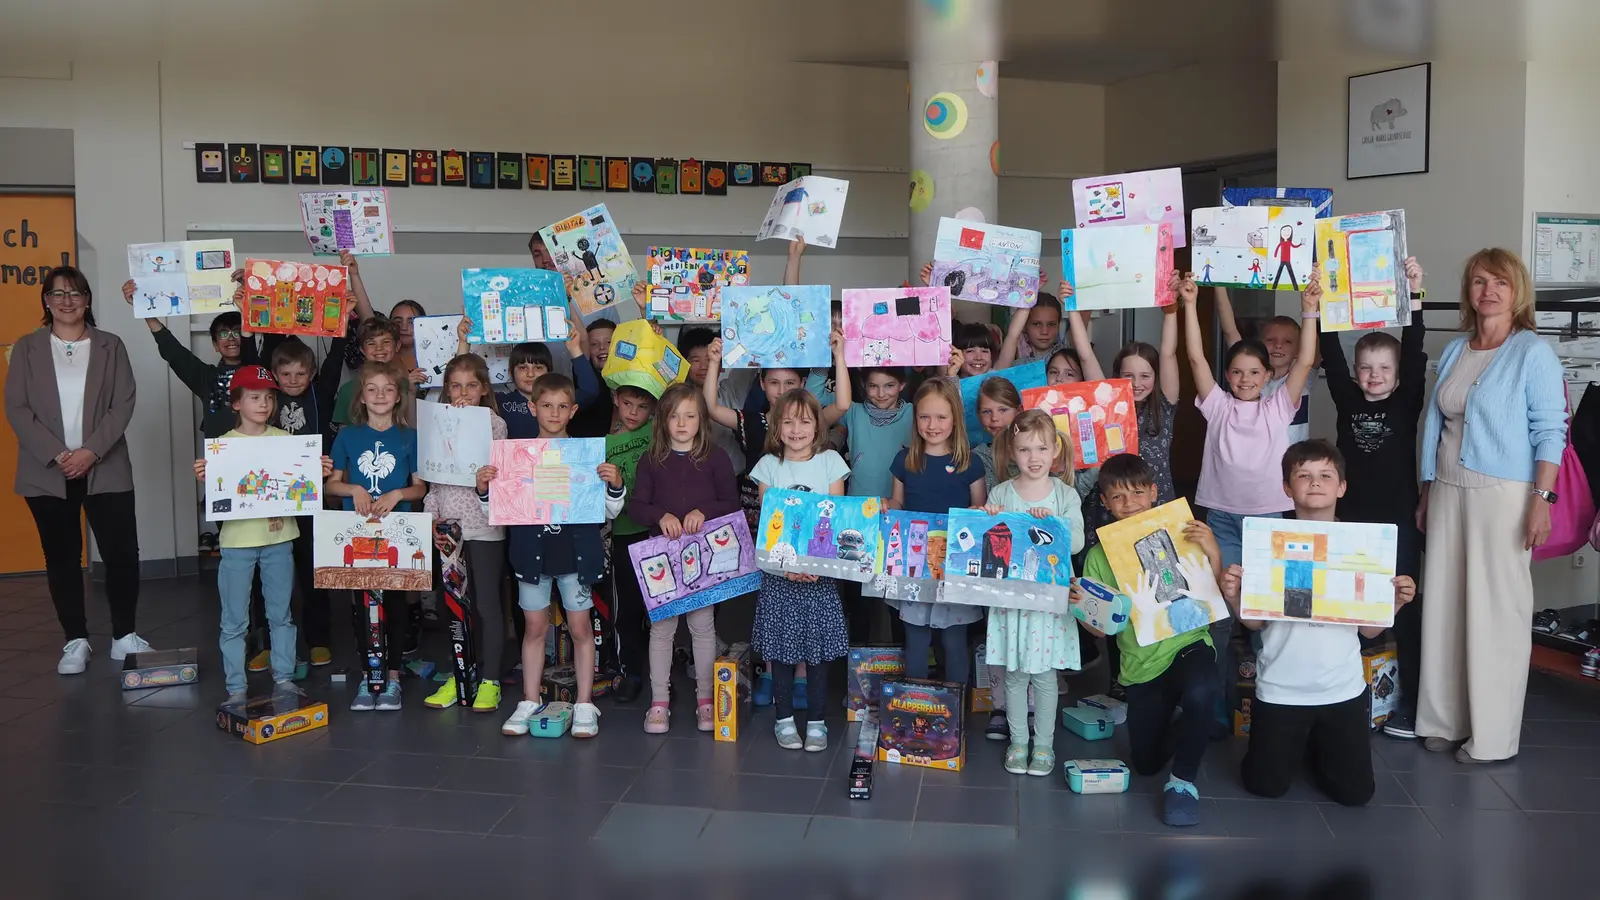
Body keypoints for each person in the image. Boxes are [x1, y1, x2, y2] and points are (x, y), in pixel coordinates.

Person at [1415, 248, 1567, 764]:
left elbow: (1551, 433)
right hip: (1448, 489)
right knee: (1445, 606)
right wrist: (1428, 487)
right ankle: (1443, 719)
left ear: (1517, 290)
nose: (1489, 291)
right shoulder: (1458, 349)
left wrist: (1541, 500)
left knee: (1496, 612)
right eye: (1479, 282)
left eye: (1499, 282)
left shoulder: (1532, 352)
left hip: (1503, 494)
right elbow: (1436, 425)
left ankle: (1494, 736)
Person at [1219, 440, 1418, 804]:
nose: (1315, 483)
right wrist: (1233, 594)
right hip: (1281, 687)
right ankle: (1294, 746)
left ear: (1341, 486)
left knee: (1356, 794)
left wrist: (1395, 601)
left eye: (1326, 475)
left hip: (1340, 689)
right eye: (1304, 476)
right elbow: (1254, 625)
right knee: (1265, 786)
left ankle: (1313, 748)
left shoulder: (1362, 549)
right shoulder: (1268, 545)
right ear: (1286, 487)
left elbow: (1369, 630)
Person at [7, 267, 147, 674]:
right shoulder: (28, 347)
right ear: (46, 302)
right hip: (45, 470)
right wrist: (57, 454)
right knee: (62, 556)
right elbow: (17, 408)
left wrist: (90, 451)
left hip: (106, 465)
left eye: (76, 293)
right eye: (57, 294)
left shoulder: (110, 345)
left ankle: (124, 635)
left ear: (88, 299)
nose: (67, 301)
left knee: (122, 553)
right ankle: (76, 641)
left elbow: (124, 403)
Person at [1076, 452, 1223, 827]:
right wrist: (1084, 608)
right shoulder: (1098, 555)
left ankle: (1183, 782)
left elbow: (1214, 592)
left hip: (1188, 641)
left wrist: (1213, 551)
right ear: (1105, 502)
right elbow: (1099, 631)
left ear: (1154, 492)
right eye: (1118, 497)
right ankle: (1197, 720)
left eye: (1138, 493)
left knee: (1202, 690)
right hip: (1141, 663)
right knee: (1145, 763)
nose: (1129, 504)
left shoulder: (1184, 530)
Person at [1318, 256, 1428, 739]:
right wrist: (1320, 302)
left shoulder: (1407, 402)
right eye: (1367, 368)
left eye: (1384, 368)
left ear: (1397, 374)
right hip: (1352, 521)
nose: (1374, 375)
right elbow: (1331, 351)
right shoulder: (1347, 398)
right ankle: (1352, 695)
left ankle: (1410, 702)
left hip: (1399, 524)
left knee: (1402, 610)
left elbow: (1418, 349)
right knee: (1350, 606)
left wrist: (1416, 295)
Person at [499, 374, 627, 739]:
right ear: (532, 407)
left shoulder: (587, 455)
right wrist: (485, 487)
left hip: (576, 558)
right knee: (535, 629)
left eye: (561, 407)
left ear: (572, 411)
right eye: (546, 405)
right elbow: (502, 508)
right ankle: (528, 699)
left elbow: (611, 511)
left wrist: (614, 484)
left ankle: (585, 704)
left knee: (581, 629)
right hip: (531, 557)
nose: (553, 413)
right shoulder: (517, 455)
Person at [627, 383, 740, 733]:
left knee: (702, 627)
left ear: (701, 420)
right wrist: (659, 516)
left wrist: (702, 512)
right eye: (674, 416)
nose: (681, 423)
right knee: (661, 629)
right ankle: (659, 702)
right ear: (662, 420)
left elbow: (732, 504)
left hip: (702, 559)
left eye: (689, 416)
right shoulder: (652, 459)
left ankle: (706, 700)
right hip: (662, 557)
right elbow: (636, 507)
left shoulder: (716, 457)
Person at [191, 366, 303, 702]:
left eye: (269, 397)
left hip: (279, 538)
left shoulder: (286, 442)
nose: (264, 404)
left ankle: (284, 677)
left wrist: (316, 471)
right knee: (234, 619)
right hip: (237, 542)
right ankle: (236, 687)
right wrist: (206, 478)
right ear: (236, 403)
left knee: (281, 614)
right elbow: (223, 495)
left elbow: (299, 487)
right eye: (255, 397)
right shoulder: (222, 448)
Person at [749, 388, 851, 751]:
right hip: (779, 577)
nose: (796, 429)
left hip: (820, 577)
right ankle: (784, 720)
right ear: (776, 427)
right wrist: (787, 568)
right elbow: (768, 524)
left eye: (805, 421)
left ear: (818, 426)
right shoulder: (768, 466)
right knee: (780, 655)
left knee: (818, 654)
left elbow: (836, 521)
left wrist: (818, 567)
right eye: (787, 421)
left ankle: (819, 723)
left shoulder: (831, 462)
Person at [983, 409, 1082, 777]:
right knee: (1014, 675)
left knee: (1044, 677)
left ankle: (1043, 746)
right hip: (1011, 603)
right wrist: (989, 518)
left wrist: (1053, 525)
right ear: (1012, 452)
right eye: (1025, 450)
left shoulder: (1065, 495)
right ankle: (1017, 742)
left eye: (1042, 448)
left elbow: (1076, 544)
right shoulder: (1001, 493)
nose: (1034, 457)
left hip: (1047, 604)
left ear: (1056, 450)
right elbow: (988, 545)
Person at [325, 361, 427, 711]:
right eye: (372, 389)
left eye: (388, 389)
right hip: (358, 530)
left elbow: (420, 487)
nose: (380, 395)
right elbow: (331, 483)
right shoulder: (348, 436)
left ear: (398, 396)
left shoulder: (410, 437)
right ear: (362, 398)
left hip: (399, 531)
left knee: (396, 606)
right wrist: (353, 488)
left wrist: (397, 494)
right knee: (361, 605)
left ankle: (393, 677)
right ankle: (370, 676)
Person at [420, 354, 509, 713]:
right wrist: (431, 521)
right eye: (455, 386)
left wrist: (461, 421)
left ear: (484, 389)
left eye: (471, 385)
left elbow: (492, 468)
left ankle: (490, 680)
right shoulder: (434, 428)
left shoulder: (495, 423)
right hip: (448, 530)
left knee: (487, 605)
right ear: (446, 391)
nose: (464, 392)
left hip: (484, 528)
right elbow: (433, 483)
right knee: (454, 608)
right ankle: (458, 675)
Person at [890, 377, 987, 687]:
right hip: (914, 566)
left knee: (954, 642)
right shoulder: (905, 460)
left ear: (955, 419)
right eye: (924, 416)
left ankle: (954, 711)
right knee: (916, 642)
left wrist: (978, 515)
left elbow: (980, 512)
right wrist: (881, 506)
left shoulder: (970, 463)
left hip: (955, 568)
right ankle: (915, 704)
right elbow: (897, 504)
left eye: (941, 417)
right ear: (915, 417)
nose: (932, 425)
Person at [604, 383, 660, 702]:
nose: (634, 413)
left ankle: (659, 676)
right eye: (627, 404)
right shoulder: (605, 443)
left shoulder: (658, 431)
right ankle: (628, 672)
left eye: (642, 406)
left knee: (658, 609)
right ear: (616, 400)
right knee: (625, 608)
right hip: (622, 532)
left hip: (656, 532)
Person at [1215, 286, 1312, 444]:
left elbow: (1307, 356)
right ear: (1260, 344)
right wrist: (1218, 285)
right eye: (1270, 340)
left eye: (1287, 342)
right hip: (1258, 458)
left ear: (1298, 349)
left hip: (1295, 462)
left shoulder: (1304, 376)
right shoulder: (1250, 374)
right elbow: (1230, 330)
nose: (1278, 345)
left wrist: (1311, 305)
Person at [569, 317, 617, 438]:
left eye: (609, 342)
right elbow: (583, 338)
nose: (602, 347)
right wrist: (567, 298)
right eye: (594, 344)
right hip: (584, 448)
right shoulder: (585, 371)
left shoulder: (630, 374)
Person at [996, 292, 1065, 368]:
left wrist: (1072, 304)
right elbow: (1012, 336)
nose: (1044, 332)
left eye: (1051, 324)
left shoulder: (1068, 356)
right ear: (1024, 326)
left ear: (1058, 325)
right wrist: (1029, 294)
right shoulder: (1016, 361)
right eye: (1037, 324)